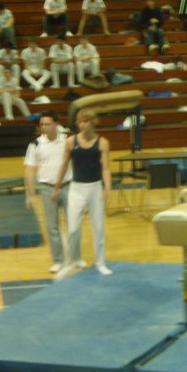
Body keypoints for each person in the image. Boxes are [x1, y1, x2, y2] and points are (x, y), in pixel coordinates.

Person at [53, 109, 112, 276]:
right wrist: (57, 185)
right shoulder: (71, 142)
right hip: (76, 189)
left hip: (95, 187)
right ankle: (70, 261)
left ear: (93, 122)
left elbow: (106, 168)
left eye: (85, 121)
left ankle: (100, 262)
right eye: (79, 122)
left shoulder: (102, 142)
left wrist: (107, 187)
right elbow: (64, 164)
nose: (81, 125)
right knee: (73, 229)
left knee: (98, 227)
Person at [25, 111, 72, 273]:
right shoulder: (35, 144)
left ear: (56, 124)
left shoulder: (67, 141)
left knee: (73, 225)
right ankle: (58, 260)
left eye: (47, 124)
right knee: (52, 227)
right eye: (42, 124)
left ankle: (74, 257)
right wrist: (30, 195)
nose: (44, 127)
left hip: (68, 186)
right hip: (46, 189)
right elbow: (29, 171)